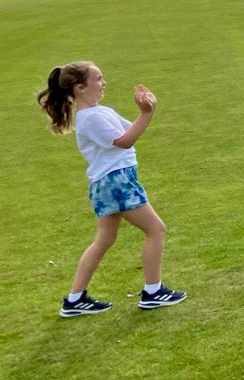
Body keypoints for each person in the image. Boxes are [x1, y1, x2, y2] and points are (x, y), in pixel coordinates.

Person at [36, 61, 187, 317]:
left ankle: (75, 299)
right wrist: (147, 114)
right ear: (81, 88)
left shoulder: (99, 112)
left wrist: (144, 109)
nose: (103, 83)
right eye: (98, 79)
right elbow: (125, 141)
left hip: (109, 182)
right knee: (156, 229)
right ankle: (153, 292)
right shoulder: (90, 118)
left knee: (104, 240)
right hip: (116, 182)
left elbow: (129, 129)